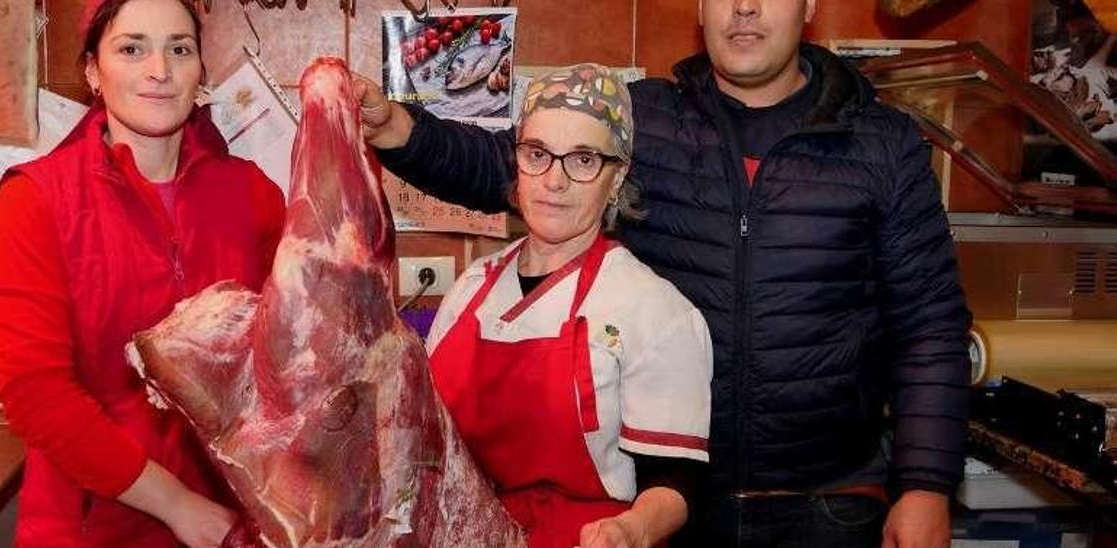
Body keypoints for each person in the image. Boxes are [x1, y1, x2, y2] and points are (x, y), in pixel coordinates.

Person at [356, 0, 972, 546]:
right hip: (668, 507)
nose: (745, 9)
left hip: (829, 504)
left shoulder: (881, 144)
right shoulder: (647, 120)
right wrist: (394, 127)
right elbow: (510, 164)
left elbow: (929, 327)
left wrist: (925, 485)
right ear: (700, 8)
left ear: (809, 5)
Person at [0, 0, 285, 545]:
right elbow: (36, 394)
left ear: (199, 71)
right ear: (94, 71)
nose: (159, 70)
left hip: (232, 518)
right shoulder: (33, 203)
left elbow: (283, 361)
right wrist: (176, 504)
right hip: (92, 523)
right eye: (132, 48)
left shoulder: (252, 195)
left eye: (179, 49)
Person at [425, 64, 713, 548]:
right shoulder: (472, 288)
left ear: (616, 177)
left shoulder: (655, 311)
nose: (554, 181)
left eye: (582, 160)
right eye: (537, 154)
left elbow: (676, 482)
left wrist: (630, 529)